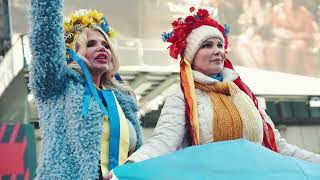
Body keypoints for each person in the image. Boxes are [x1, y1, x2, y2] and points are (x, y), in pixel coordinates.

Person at [127, 7, 320, 164]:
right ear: (190, 57)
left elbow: (279, 146)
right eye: (207, 45)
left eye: (220, 45)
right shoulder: (182, 97)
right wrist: (130, 166)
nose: (217, 51)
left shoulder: (243, 95)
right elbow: (163, 142)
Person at [29, 0, 143, 179]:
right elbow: (45, 39)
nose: (101, 48)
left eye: (105, 45)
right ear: (72, 51)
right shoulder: (58, 87)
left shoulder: (121, 100)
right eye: (91, 44)